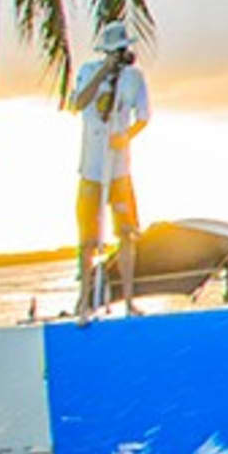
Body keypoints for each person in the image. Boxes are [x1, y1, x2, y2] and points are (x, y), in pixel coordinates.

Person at [66, 19, 150, 317]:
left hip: (119, 169)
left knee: (127, 232)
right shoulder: (89, 72)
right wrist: (104, 71)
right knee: (87, 238)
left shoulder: (134, 78)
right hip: (91, 166)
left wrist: (126, 136)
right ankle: (84, 299)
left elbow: (143, 115)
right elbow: (77, 103)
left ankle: (128, 298)